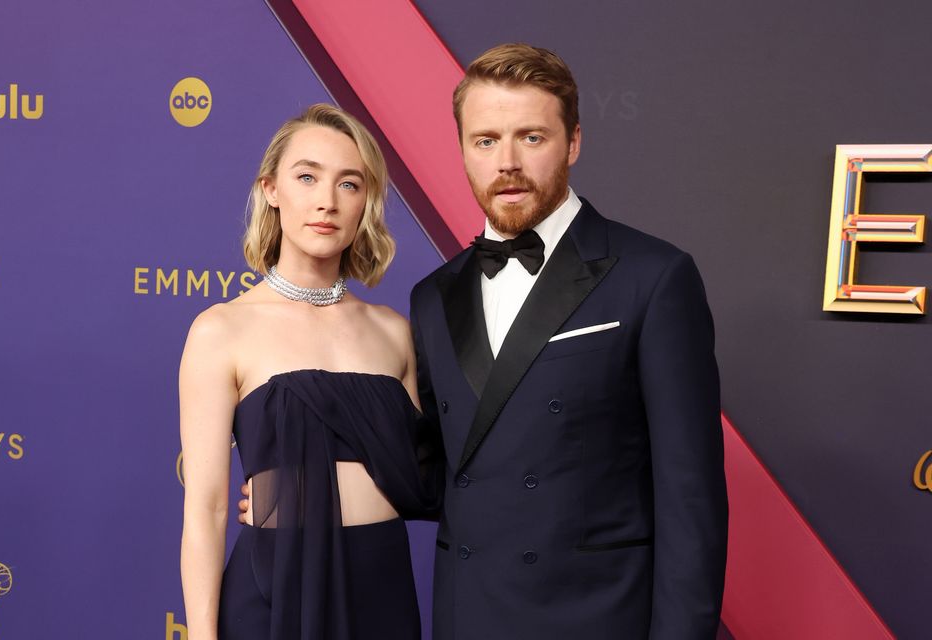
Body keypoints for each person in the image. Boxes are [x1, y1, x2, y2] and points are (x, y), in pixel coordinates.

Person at [408, 44, 728, 639]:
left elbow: (691, 498)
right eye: (484, 141)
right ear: (462, 151)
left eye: (531, 137)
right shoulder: (431, 296)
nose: (506, 162)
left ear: (573, 142)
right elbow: (432, 471)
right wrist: (303, 489)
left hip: (595, 618)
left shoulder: (653, 276)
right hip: (468, 616)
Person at [179, 104, 438, 640]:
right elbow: (206, 509)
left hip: (383, 587)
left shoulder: (394, 331)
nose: (326, 201)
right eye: (307, 177)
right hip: (278, 587)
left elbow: (429, 474)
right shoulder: (221, 329)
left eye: (349, 183)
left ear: (365, 200)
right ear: (271, 189)